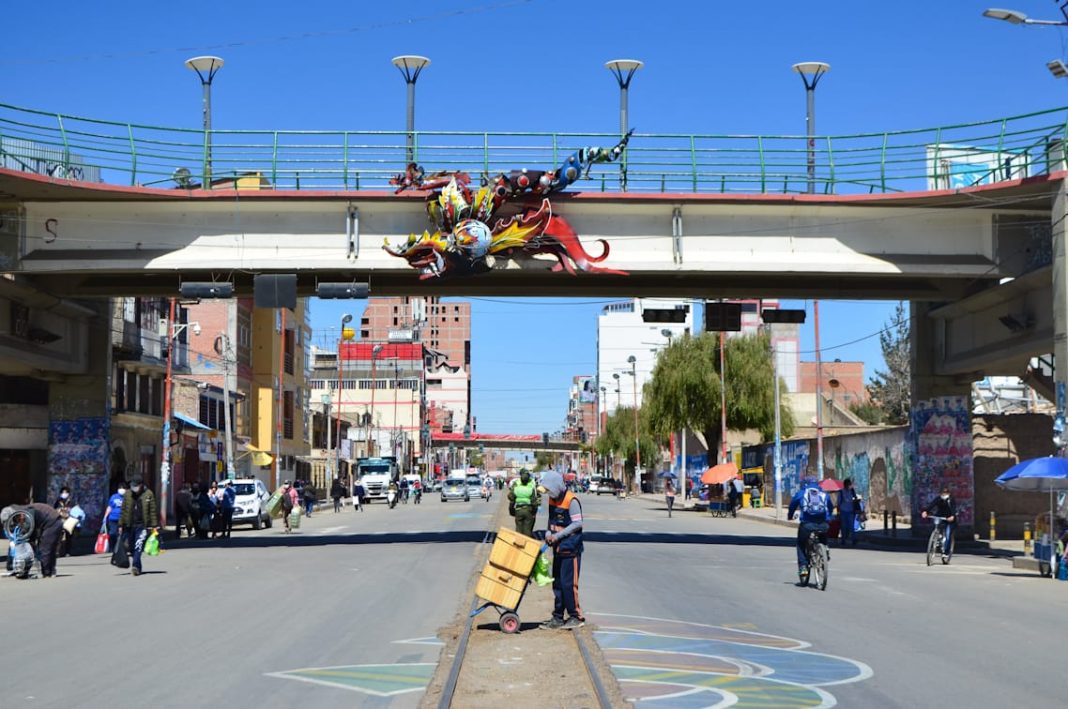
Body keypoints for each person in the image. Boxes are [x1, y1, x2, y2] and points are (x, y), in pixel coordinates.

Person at [539, 471, 585, 630]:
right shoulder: (553, 499)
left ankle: (576, 616)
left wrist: (557, 536)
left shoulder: (571, 500)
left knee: (568, 585)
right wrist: (548, 533)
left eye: (550, 489)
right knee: (557, 584)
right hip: (558, 549)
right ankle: (557, 617)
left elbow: (577, 524)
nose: (548, 493)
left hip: (571, 549)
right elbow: (551, 520)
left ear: (557, 485)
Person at [788, 478, 834, 580]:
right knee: (823, 534)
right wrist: (829, 517)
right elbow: (830, 507)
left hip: (807, 525)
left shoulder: (802, 493)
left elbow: (792, 505)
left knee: (800, 543)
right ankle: (825, 548)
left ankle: (803, 566)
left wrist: (790, 516)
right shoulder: (823, 494)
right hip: (823, 524)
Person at [2, 502, 65, 578]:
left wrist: (28, 541)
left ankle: (47, 572)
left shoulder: (27, 513)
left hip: (53, 522)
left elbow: (30, 530)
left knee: (45, 548)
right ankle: (50, 571)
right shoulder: (20, 511)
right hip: (51, 521)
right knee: (46, 547)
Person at [118, 475, 159, 577]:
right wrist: (120, 524)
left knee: (138, 546)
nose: (134, 488)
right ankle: (137, 565)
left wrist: (154, 525)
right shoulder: (128, 494)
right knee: (131, 547)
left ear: (141, 485)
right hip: (129, 525)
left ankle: (135, 566)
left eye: (136, 486)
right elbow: (123, 510)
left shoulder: (148, 494)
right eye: (132, 485)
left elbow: (152, 511)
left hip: (142, 525)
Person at [921, 486, 957, 557]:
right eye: (942, 493)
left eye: (945, 493)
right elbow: (931, 505)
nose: (944, 495)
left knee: (948, 534)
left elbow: (953, 509)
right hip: (940, 516)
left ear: (949, 493)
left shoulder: (951, 500)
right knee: (936, 526)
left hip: (949, 519)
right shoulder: (938, 499)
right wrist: (925, 512)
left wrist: (952, 516)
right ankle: (937, 536)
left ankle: (946, 552)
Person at [509, 469, 540, 538]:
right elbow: (535, 500)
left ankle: (518, 545)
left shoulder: (516, 484)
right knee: (528, 530)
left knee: (518, 529)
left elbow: (511, 498)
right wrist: (534, 512)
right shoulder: (532, 483)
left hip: (518, 510)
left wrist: (511, 510)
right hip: (529, 510)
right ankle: (526, 546)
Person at [838, 479, 861, 546]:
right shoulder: (841, 492)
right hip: (843, 511)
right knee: (843, 526)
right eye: (849, 484)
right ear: (846, 485)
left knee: (851, 526)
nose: (850, 486)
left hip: (850, 511)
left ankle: (853, 539)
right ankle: (843, 540)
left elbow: (855, 499)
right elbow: (839, 502)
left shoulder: (852, 491)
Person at [103, 483, 126, 551]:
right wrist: (105, 516)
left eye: (123, 488)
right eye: (120, 488)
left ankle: (120, 547)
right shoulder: (114, 497)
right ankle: (112, 547)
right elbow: (110, 507)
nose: (121, 490)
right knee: (112, 533)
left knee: (121, 534)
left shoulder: (127, 497)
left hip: (123, 518)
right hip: (113, 518)